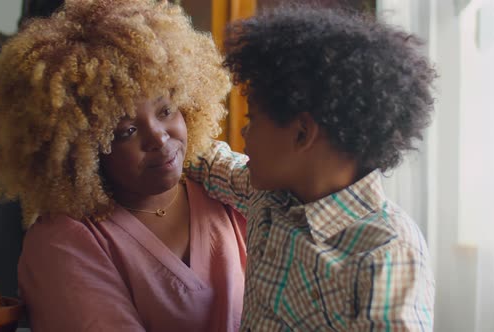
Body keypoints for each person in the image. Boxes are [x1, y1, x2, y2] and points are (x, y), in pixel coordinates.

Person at [0, 0, 245, 331]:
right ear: (81, 151)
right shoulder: (62, 242)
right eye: (126, 131)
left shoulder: (227, 188)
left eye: (166, 110)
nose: (158, 138)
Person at [186, 4, 437, 331]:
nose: (245, 132)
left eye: (253, 119)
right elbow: (210, 161)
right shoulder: (269, 196)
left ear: (302, 133)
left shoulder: (387, 252)